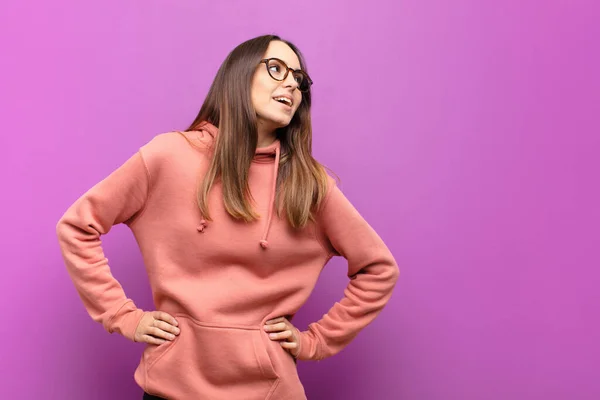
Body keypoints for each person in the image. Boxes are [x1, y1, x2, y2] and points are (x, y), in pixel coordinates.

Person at [56, 34, 399, 400]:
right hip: (170, 387)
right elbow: (77, 226)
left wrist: (316, 341)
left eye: (299, 80)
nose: (292, 85)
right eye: (276, 68)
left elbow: (378, 268)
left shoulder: (310, 184)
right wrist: (122, 316)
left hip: (269, 391)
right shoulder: (169, 156)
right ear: (238, 75)